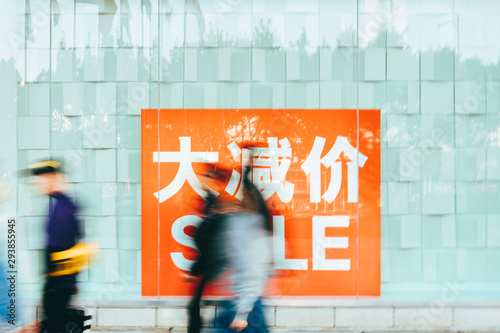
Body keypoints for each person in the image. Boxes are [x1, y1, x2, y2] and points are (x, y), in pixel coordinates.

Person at [27, 160, 82, 333]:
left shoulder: (62, 208)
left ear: (54, 178)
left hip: (57, 286)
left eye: (41, 179)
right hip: (60, 284)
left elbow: (58, 248)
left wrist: (53, 287)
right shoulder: (61, 204)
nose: (37, 183)